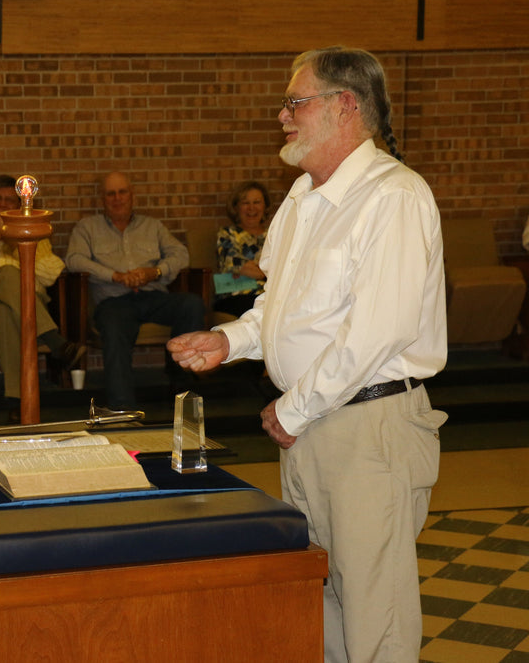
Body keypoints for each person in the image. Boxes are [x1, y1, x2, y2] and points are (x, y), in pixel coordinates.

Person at [168, 46, 447, 662]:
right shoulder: (301, 195)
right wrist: (230, 340)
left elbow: (379, 332)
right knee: (316, 596)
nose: (283, 116)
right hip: (312, 424)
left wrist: (293, 410)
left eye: (296, 102)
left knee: (377, 615)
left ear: (346, 106)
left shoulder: (392, 197)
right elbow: (281, 303)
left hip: (369, 429)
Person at [65, 171, 205, 409]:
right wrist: (114, 275)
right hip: (114, 300)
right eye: (111, 193)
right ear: (102, 199)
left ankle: (179, 380)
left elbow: (181, 254)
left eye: (122, 192)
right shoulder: (87, 228)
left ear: (132, 195)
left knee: (191, 304)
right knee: (113, 325)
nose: (117, 198)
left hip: (154, 295)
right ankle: (123, 408)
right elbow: (74, 260)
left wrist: (156, 272)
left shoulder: (153, 226)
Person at [0, 174, 84, 422]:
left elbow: (53, 272)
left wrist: (19, 247)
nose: (1, 205)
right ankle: (55, 341)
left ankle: (17, 399)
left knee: (6, 309)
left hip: (24, 307)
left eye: (9, 201)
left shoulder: (32, 232)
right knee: (9, 274)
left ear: (19, 205)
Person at [214, 181, 272, 318]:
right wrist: (265, 269)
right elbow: (243, 268)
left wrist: (258, 267)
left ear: (265, 206)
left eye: (257, 202)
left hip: (268, 295)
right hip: (236, 296)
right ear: (236, 207)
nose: (251, 208)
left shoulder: (273, 235)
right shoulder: (227, 234)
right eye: (245, 203)